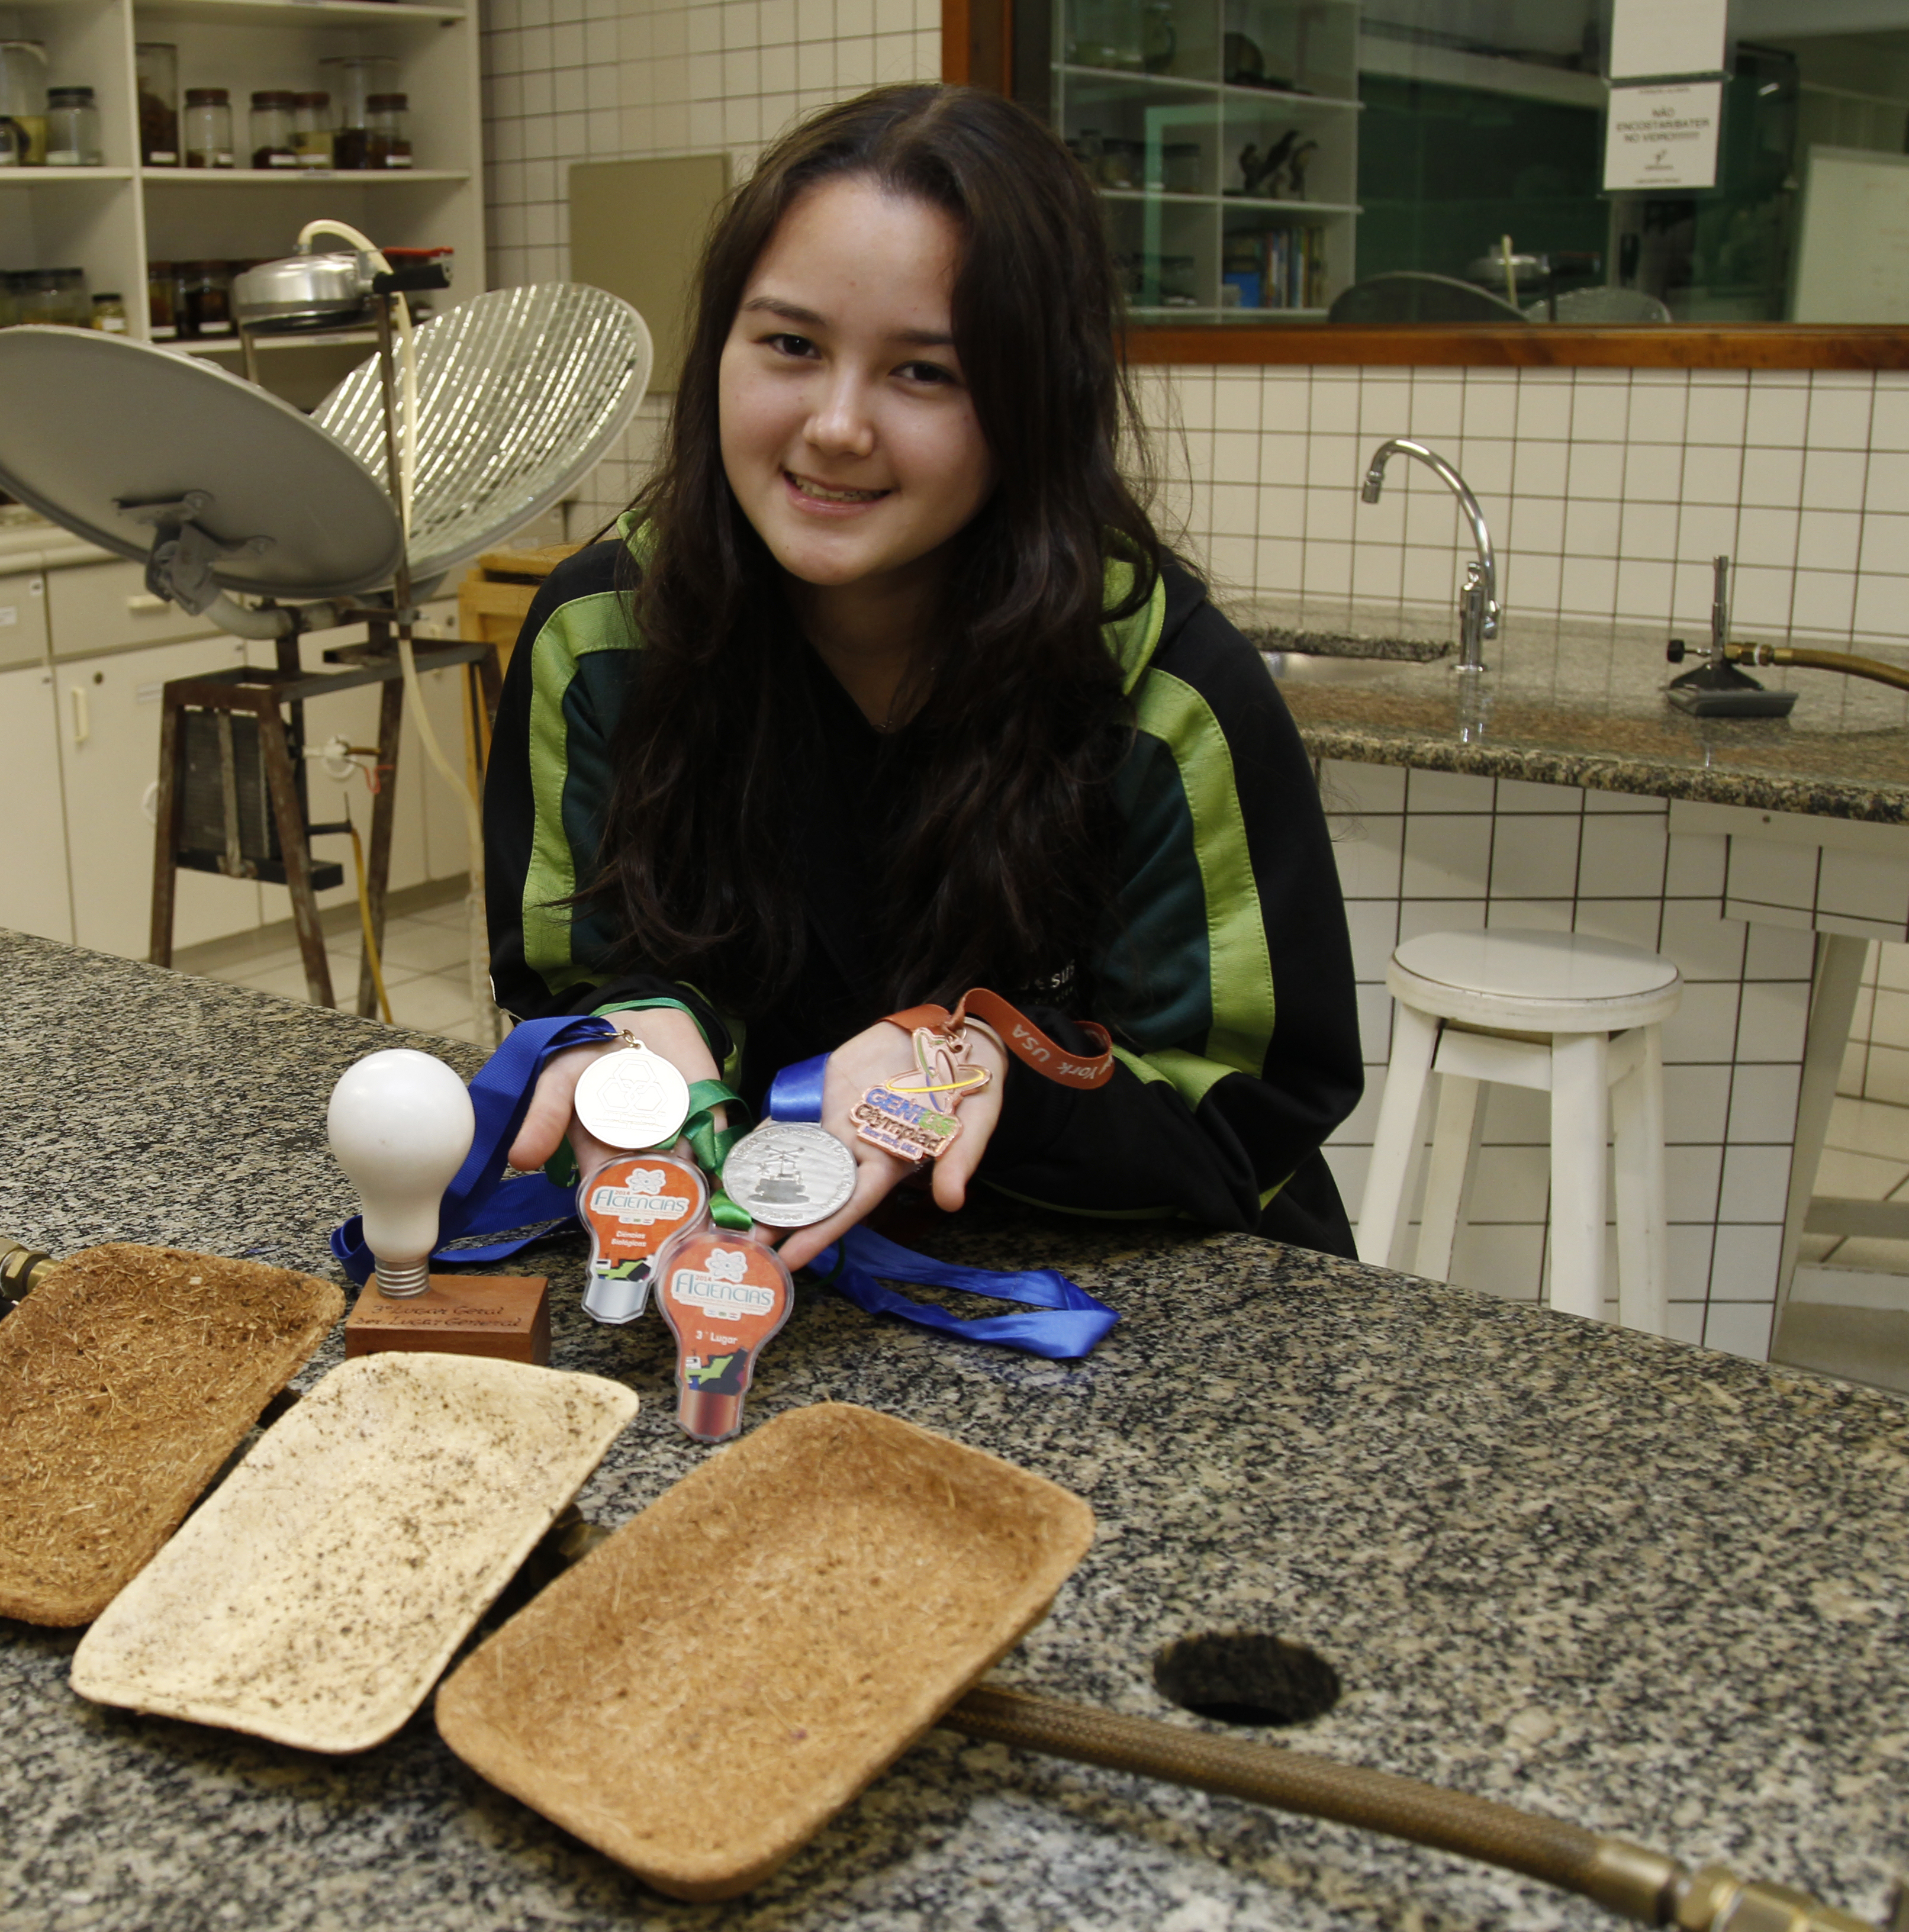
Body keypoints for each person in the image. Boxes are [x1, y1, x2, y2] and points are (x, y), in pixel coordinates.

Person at [483, 83, 1363, 1266]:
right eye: (791, 346)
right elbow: (567, 978)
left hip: (1114, 1305)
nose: (838, 425)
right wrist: (622, 1041)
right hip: (748, 1288)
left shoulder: (1163, 693)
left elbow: (1246, 1111)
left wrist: (991, 1069)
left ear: (1035, 402)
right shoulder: (603, 638)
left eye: (925, 373)